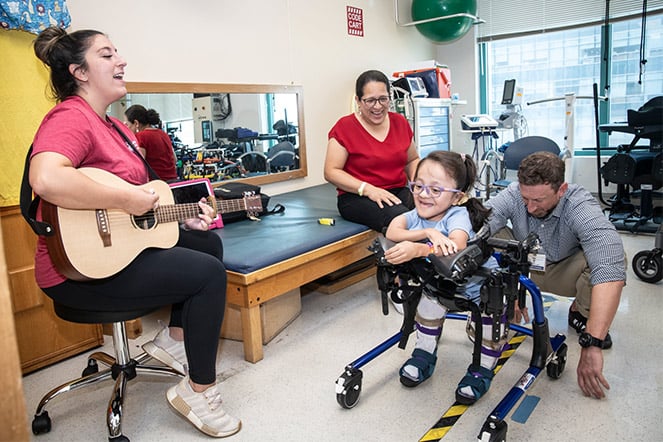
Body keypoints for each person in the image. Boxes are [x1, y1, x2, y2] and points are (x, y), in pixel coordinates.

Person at [29, 27, 241, 437]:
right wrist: (128, 201)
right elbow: (47, 179)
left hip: (119, 250)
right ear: (80, 72)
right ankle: (198, 390)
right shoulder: (70, 117)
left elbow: (146, 199)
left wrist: (180, 216)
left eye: (117, 53)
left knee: (207, 242)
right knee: (208, 275)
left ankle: (175, 341)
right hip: (76, 269)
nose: (121, 61)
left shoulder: (118, 129)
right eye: (107, 55)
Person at [485, 151, 625, 400]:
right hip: (523, 265)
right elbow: (480, 222)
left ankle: (580, 314)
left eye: (539, 200)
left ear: (561, 189)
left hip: (563, 270)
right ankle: (509, 297)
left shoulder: (579, 204)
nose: (530, 207)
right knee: (487, 239)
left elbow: (609, 262)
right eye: (526, 198)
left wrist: (592, 341)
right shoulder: (515, 193)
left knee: (610, 259)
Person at [383, 151, 503, 405]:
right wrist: (426, 231)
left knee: (490, 329)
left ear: (457, 196)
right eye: (418, 186)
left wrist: (420, 249)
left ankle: (482, 369)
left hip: (480, 287)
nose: (424, 195)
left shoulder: (457, 216)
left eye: (436, 190)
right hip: (439, 284)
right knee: (427, 310)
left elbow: (456, 246)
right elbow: (393, 230)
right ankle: (424, 354)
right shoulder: (416, 215)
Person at [324, 69, 420, 233]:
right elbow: (331, 172)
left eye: (383, 99)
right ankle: (417, 257)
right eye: (370, 101)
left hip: (396, 191)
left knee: (434, 210)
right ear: (358, 101)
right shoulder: (344, 127)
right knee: (403, 219)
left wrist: (421, 184)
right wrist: (368, 189)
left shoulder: (400, 122)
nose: (378, 106)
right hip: (357, 196)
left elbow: (412, 160)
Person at [124, 104, 178, 181]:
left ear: (136, 123)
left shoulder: (141, 136)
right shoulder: (163, 134)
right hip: (173, 183)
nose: (126, 128)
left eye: (127, 124)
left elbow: (139, 165)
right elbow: (174, 159)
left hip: (156, 185)